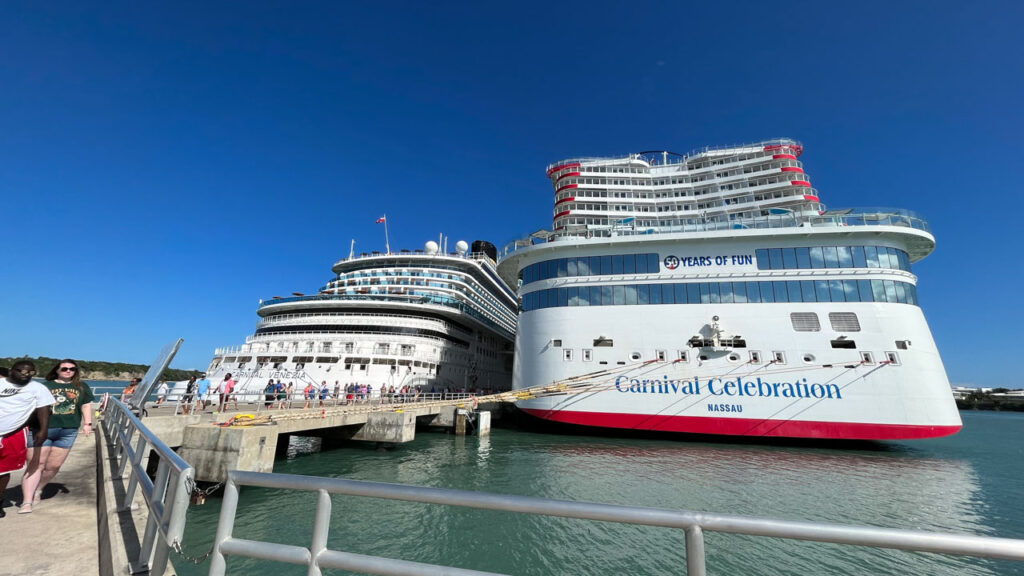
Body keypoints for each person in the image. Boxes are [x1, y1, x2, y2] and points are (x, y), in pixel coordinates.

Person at [20, 359, 94, 511]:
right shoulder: (45, 386)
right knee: (36, 465)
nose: (68, 371)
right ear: (57, 370)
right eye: (65, 368)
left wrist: (87, 424)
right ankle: (27, 501)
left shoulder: (81, 386)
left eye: (72, 369)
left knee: (54, 466)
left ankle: (39, 488)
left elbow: (86, 405)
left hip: (68, 430)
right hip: (42, 430)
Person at [0, 360, 55, 516]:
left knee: (3, 470)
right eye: (21, 371)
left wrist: (43, 431)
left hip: (13, 433)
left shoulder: (38, 388)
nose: (25, 375)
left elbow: (43, 409)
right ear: (12, 370)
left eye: (30, 373)